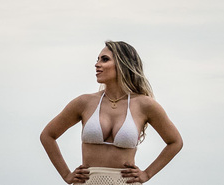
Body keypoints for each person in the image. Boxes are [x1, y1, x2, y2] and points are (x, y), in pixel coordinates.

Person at [41, 41, 183, 184]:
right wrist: (66, 175)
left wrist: (147, 174)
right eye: (97, 60)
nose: (97, 64)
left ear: (122, 64)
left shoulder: (144, 104)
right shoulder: (85, 102)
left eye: (105, 59)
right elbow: (47, 135)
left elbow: (175, 142)